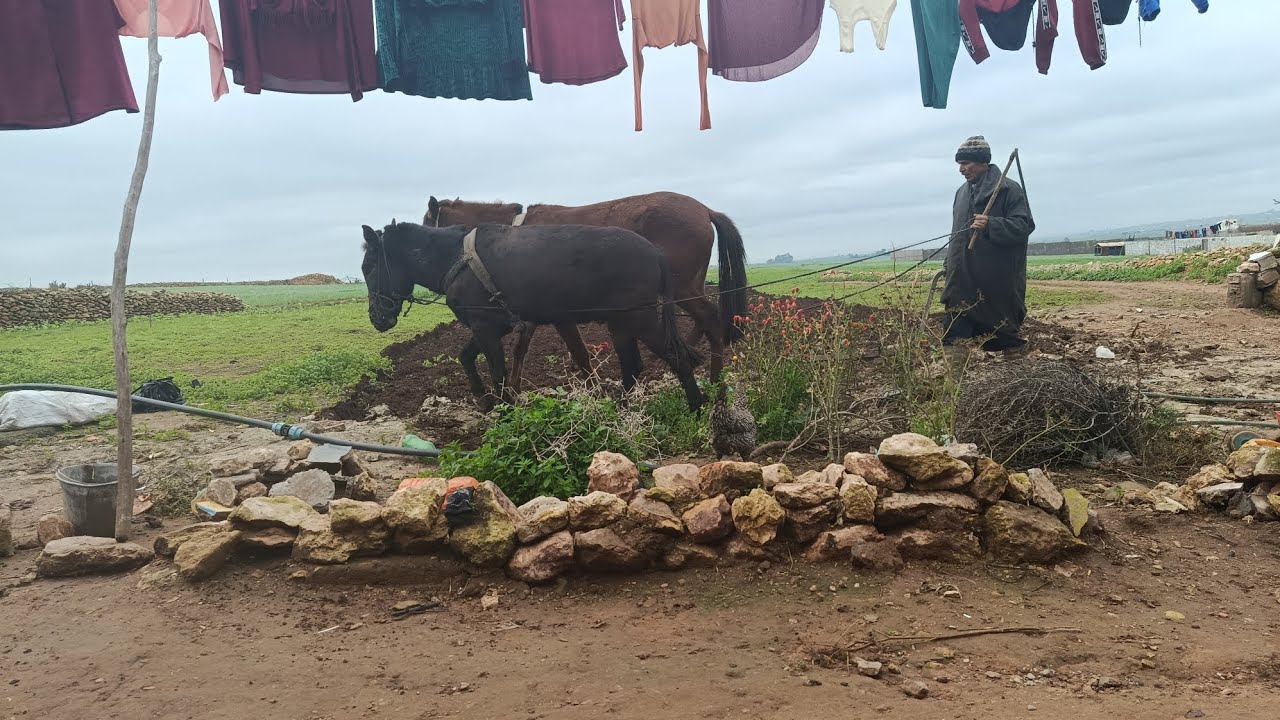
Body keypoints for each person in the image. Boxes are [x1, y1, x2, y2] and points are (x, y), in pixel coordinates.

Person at [941, 135, 1035, 357]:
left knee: (1005, 336)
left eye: (966, 164)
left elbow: (1024, 226)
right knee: (954, 336)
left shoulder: (1009, 190)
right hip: (962, 280)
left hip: (995, 283)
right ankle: (953, 389)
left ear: (983, 162)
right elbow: (957, 236)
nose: (961, 170)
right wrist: (949, 264)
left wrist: (992, 224)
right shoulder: (961, 193)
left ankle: (1017, 383)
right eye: (960, 164)